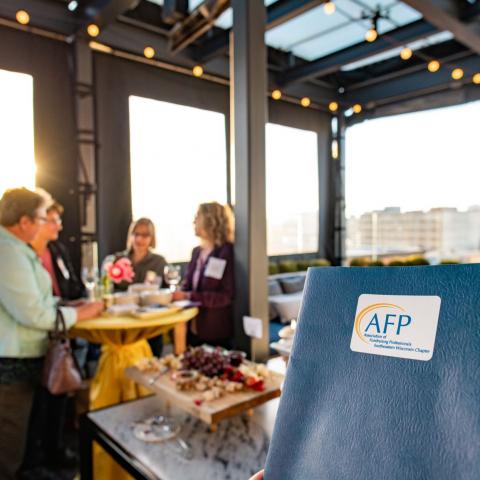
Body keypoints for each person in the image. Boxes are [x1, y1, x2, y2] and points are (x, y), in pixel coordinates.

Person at [0, 188, 104, 480]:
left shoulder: (18, 249)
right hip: (11, 366)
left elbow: (39, 302)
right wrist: (80, 314)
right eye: (42, 217)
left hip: (24, 361)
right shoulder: (7, 252)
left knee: (23, 439)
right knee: (8, 448)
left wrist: (68, 304)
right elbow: (34, 314)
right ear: (24, 222)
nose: (48, 222)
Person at [30, 197, 87, 472]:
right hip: (34, 336)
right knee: (38, 398)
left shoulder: (58, 249)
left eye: (58, 220)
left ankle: (57, 448)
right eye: (52, 220)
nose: (58, 225)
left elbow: (72, 284)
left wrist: (80, 302)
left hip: (63, 328)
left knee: (60, 388)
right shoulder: (22, 256)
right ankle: (37, 457)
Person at [173, 202, 235, 349]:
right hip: (192, 329)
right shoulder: (196, 252)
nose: (193, 221)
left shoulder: (225, 252)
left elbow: (225, 296)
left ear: (210, 220)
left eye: (197, 217)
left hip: (215, 332)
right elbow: (188, 285)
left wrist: (188, 296)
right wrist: (180, 292)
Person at [104, 217, 167, 356]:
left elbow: (165, 292)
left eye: (145, 235)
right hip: (122, 325)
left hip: (149, 325)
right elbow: (106, 289)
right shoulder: (116, 259)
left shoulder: (159, 262)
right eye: (136, 234)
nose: (139, 239)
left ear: (152, 238)